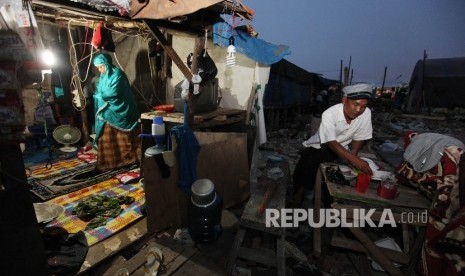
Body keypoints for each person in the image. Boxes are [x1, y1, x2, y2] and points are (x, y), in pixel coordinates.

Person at [292, 83, 374, 206]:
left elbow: (359, 136)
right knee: (308, 165)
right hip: (322, 144)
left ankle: (324, 200)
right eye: (355, 104)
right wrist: (353, 159)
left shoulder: (365, 113)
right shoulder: (329, 114)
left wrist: (353, 156)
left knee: (336, 176)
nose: (358, 110)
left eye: (363, 106)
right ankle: (299, 194)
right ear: (344, 100)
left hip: (343, 148)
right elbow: (331, 142)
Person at [92, 53, 141, 171]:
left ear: (107, 64)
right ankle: (110, 162)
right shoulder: (103, 76)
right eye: (98, 67)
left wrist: (99, 96)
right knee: (106, 136)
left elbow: (113, 93)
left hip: (121, 109)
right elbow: (100, 90)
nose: (99, 70)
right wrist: (99, 95)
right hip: (108, 109)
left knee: (126, 137)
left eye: (101, 67)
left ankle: (131, 159)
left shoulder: (118, 74)